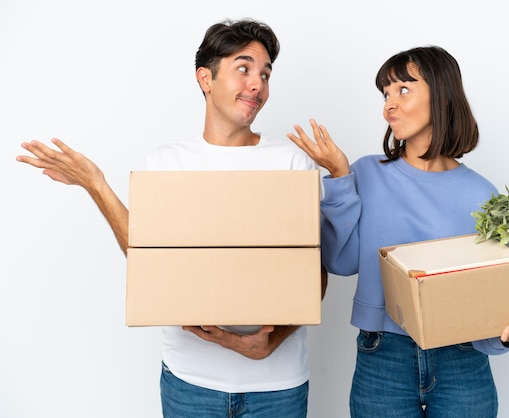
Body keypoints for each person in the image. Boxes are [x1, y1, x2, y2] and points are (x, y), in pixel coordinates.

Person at [17, 19, 327, 418]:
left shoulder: (290, 162)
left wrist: (269, 341)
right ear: (206, 78)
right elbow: (150, 261)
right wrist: (96, 184)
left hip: (276, 387)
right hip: (190, 384)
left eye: (266, 74)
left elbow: (314, 273)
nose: (258, 85)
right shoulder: (167, 162)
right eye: (244, 68)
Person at [287, 45, 509, 417]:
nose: (389, 105)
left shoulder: (482, 195)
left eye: (403, 89)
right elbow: (342, 261)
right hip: (383, 356)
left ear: (441, 95)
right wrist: (338, 177)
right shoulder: (365, 173)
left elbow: (493, 299)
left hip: (463, 359)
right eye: (385, 94)